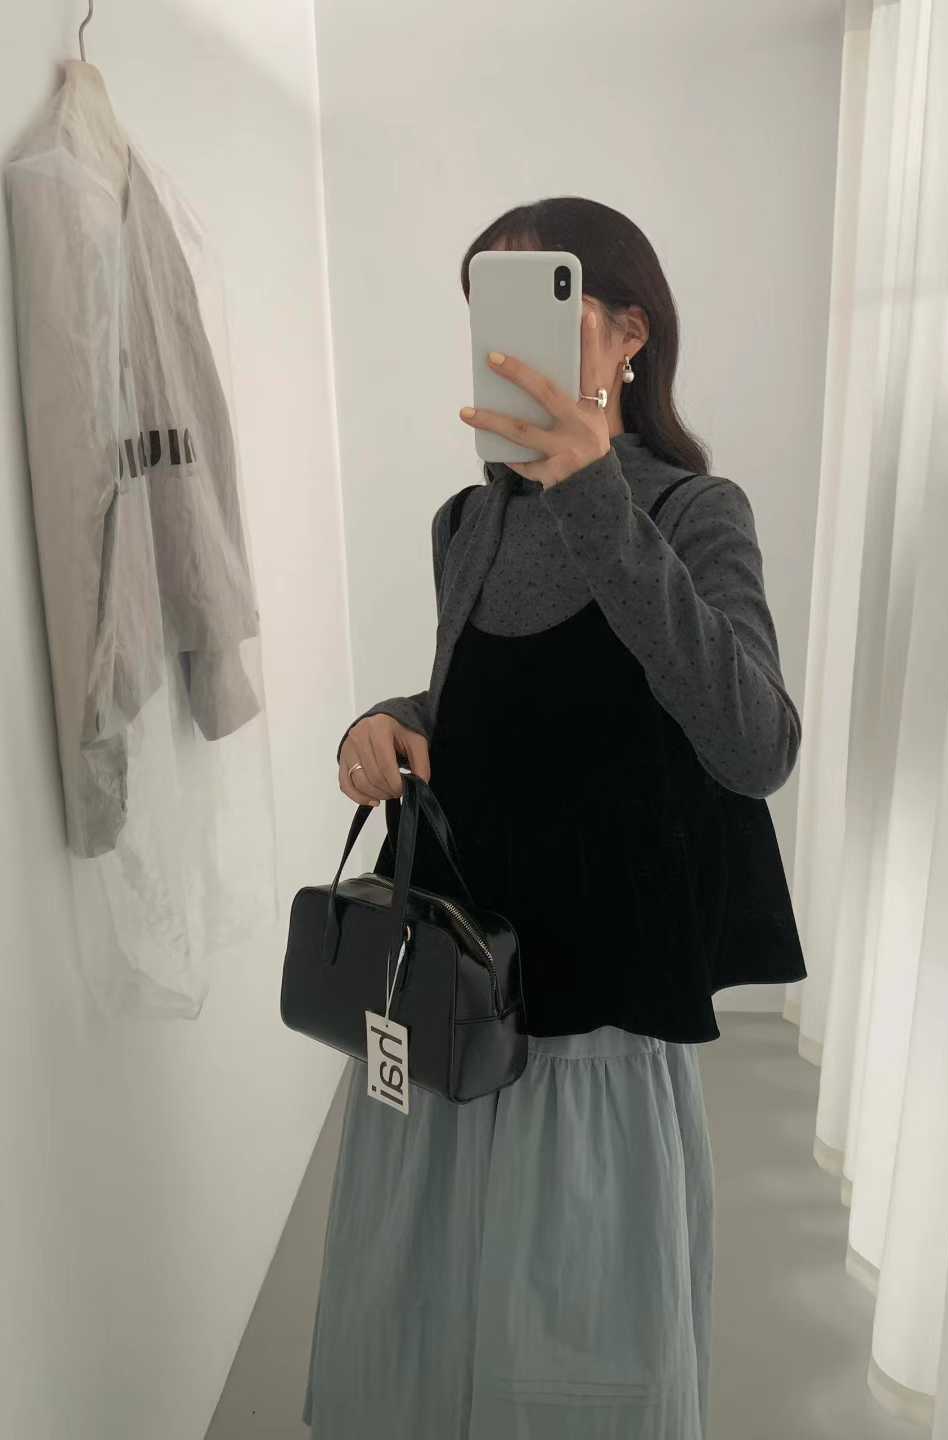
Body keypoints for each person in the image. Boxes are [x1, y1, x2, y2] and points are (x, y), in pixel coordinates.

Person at [302, 196, 802, 1440]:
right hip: (453, 992)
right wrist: (386, 721)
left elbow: (756, 745)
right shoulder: (467, 524)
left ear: (630, 332)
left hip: (598, 1014)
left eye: (547, 302)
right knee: (425, 1331)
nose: (505, 335)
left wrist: (595, 497)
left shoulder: (695, 514)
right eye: (486, 307)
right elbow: (481, 708)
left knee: (582, 1351)